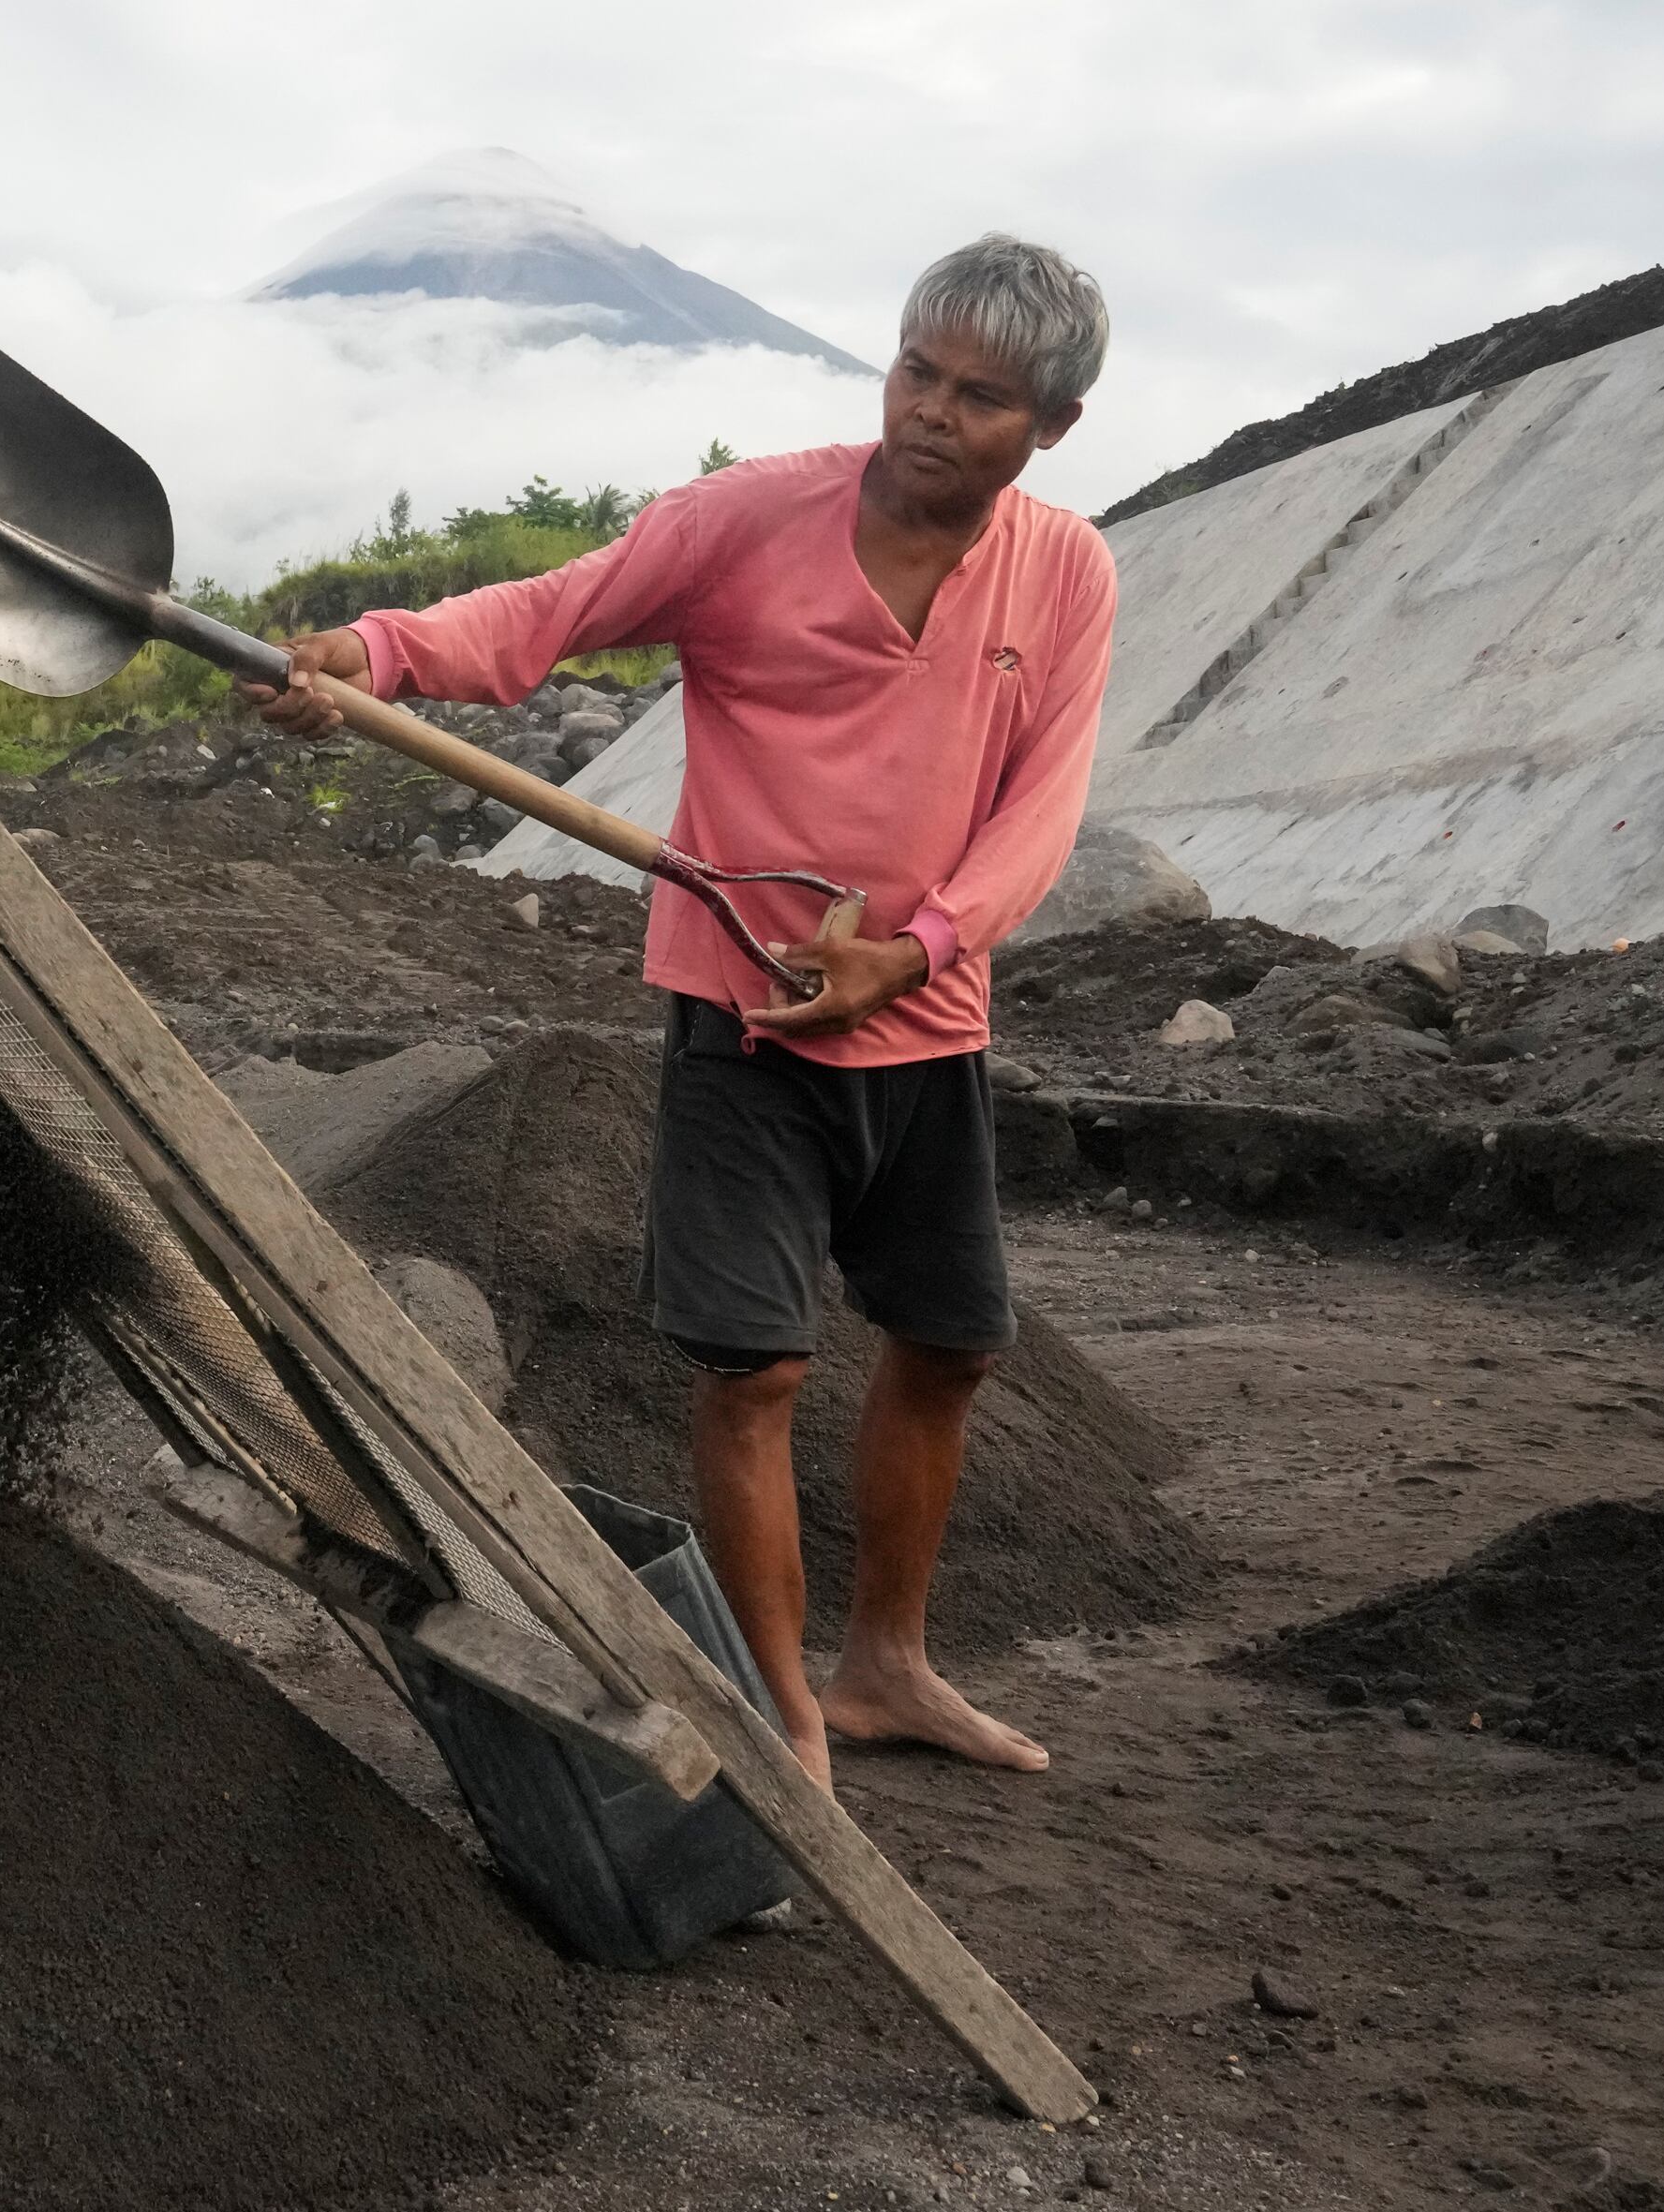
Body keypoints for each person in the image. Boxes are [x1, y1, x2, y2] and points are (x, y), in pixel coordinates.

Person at [246, 233, 1115, 1789]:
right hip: (748, 1016)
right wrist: (365, 653)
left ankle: (888, 1664)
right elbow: (547, 617)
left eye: (980, 396)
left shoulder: (1065, 570)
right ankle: (783, 1704)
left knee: (949, 1345)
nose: (929, 410)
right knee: (753, 1368)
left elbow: (1042, 810)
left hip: (930, 1023)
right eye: (916, 368)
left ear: (1046, 428)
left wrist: (914, 952)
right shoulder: (747, 520)